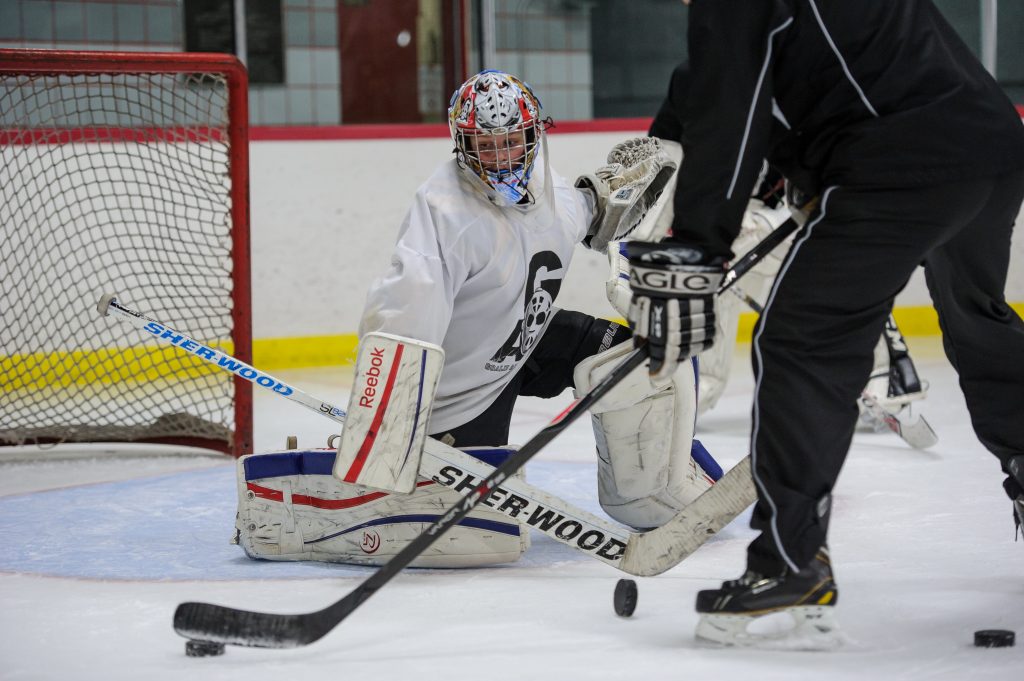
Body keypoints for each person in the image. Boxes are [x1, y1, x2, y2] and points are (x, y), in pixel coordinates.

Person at [623, 0, 1024, 648]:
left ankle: (787, 561)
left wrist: (698, 245)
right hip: (993, 144)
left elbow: (733, 109)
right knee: (979, 322)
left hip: (901, 166)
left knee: (801, 340)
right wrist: (790, 166)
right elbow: (811, 73)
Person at [233, 69, 722, 569]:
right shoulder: (445, 211)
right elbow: (402, 318)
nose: (500, 158)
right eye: (484, 146)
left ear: (535, 136)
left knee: (631, 358)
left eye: (512, 142)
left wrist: (603, 197)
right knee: (480, 532)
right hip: (461, 393)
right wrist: (388, 436)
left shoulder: (547, 189)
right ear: (460, 143)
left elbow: (589, 217)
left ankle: (658, 495)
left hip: (522, 344)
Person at [648, 62, 932, 429]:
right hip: (729, 212)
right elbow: (666, 152)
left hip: (789, 207)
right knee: (711, 273)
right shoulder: (691, 75)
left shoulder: (790, 69)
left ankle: (884, 371)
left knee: (834, 271)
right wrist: (655, 236)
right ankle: (698, 385)